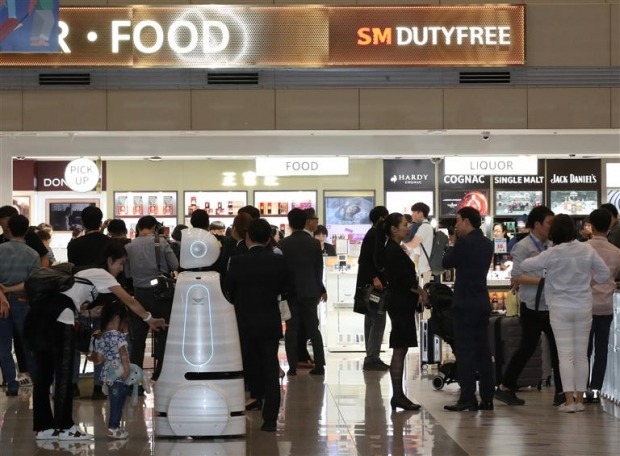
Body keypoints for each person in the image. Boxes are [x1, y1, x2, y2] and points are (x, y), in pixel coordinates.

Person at [24, 242, 165, 441]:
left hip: (40, 316)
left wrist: (87, 312)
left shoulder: (85, 273)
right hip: (61, 316)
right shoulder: (103, 275)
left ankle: (44, 428)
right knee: (63, 372)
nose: (122, 269)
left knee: (44, 374)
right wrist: (150, 319)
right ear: (110, 261)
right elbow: (129, 301)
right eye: (121, 263)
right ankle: (65, 428)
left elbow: (66, 298)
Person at [520, 214, 609, 412]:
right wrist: (588, 282)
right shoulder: (587, 249)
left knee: (565, 355)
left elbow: (525, 266)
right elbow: (604, 274)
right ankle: (580, 400)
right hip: (584, 306)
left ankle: (568, 401)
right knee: (582, 356)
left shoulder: (552, 253)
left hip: (559, 308)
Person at [495, 206, 565, 407]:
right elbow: (516, 276)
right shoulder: (522, 247)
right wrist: (544, 281)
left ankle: (561, 392)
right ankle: (506, 387)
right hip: (532, 306)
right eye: (549, 223)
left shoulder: (552, 245)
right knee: (527, 347)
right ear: (537, 225)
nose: (551, 227)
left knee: (558, 348)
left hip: (551, 304)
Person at [224, 219, 289, 432]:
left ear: (247, 237)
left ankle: (247, 403)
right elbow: (287, 287)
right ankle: (270, 418)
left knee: (245, 364)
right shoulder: (278, 261)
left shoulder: (237, 261)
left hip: (243, 321)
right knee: (270, 366)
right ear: (269, 238)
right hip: (270, 320)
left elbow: (228, 291)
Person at [442, 207, 495, 412]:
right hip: (481, 302)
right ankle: (488, 397)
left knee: (465, 353)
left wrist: (453, 243)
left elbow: (447, 262)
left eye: (457, 221)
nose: (456, 225)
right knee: (483, 351)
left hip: (464, 304)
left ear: (466, 221)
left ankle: (467, 398)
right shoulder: (487, 244)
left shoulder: (464, 242)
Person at [375, 213, 427, 411]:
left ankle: (399, 394)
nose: (408, 228)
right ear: (394, 229)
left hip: (401, 303)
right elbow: (405, 279)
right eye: (405, 225)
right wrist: (420, 291)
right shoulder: (393, 251)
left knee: (401, 346)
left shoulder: (395, 248)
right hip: (400, 303)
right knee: (400, 347)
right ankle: (397, 394)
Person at [124, 216, 179, 381]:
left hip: (139, 296)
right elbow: (175, 265)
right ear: (155, 227)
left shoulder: (128, 247)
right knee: (163, 334)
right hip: (161, 294)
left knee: (138, 339)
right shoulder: (161, 243)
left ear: (138, 228)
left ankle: (136, 380)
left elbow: (127, 273)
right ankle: (161, 374)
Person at [280, 208, 327, 376]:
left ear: (290, 223)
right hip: (310, 292)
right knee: (313, 329)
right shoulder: (314, 243)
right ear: (305, 222)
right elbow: (318, 270)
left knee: (291, 330)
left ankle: (292, 366)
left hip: (291, 292)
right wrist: (320, 289)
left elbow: (282, 271)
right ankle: (320, 365)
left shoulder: (283, 244)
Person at [0, 215, 41, 397]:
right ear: (26, 231)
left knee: (3, 347)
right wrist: (12, 289)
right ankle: (38, 381)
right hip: (23, 302)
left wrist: (4, 293)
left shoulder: (0, 250)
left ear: (8, 228)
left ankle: (11, 384)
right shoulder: (32, 254)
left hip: (1, 302)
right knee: (28, 344)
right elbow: (32, 282)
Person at [585, 208, 620, 402]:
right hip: (606, 305)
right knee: (602, 350)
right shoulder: (617, 252)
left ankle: (581, 390)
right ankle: (596, 390)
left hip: (585, 305)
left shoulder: (583, 249)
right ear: (610, 226)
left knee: (584, 350)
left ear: (591, 225)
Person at [354, 205, 390, 371]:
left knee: (370, 318)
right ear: (382, 218)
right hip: (374, 286)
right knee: (378, 319)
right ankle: (372, 357)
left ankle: (370, 355)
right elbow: (373, 259)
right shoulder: (377, 234)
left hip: (365, 285)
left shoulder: (372, 233)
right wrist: (376, 277)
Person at [92, 301, 131, 440]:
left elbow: (99, 359)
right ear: (117, 318)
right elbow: (123, 355)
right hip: (119, 373)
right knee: (118, 403)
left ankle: (115, 427)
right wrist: (127, 371)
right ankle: (113, 427)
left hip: (108, 374)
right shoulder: (119, 336)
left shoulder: (101, 337)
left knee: (113, 401)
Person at [404, 202, 433, 283]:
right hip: (422, 268)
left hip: (422, 268)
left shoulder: (424, 227)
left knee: (421, 292)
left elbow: (413, 244)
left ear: (420, 213)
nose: (412, 215)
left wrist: (401, 243)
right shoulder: (425, 226)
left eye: (414, 212)